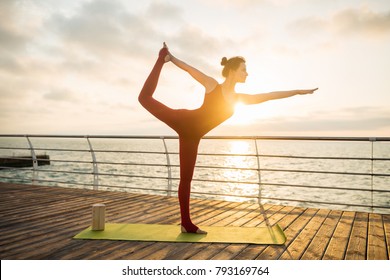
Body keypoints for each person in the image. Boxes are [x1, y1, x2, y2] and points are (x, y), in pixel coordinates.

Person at [138, 43, 317, 234]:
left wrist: (297, 91)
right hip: (183, 120)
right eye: (244, 70)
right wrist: (169, 58)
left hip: (193, 137)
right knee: (144, 98)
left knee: (186, 179)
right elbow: (190, 69)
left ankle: (185, 224)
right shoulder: (212, 85)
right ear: (232, 71)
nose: (247, 73)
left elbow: (268, 96)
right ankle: (160, 58)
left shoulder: (239, 98)